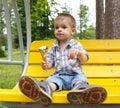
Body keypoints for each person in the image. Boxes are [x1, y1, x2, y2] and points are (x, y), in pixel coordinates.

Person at [19, 13, 107, 107]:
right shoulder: (54, 47)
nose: (59, 30)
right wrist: (45, 65)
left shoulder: (76, 45)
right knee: (51, 82)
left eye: (64, 27)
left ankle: (79, 92)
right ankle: (43, 92)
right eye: (57, 27)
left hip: (75, 75)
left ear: (72, 31)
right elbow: (49, 64)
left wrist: (79, 53)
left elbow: (85, 60)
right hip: (59, 76)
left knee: (80, 81)